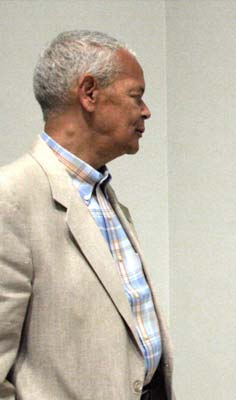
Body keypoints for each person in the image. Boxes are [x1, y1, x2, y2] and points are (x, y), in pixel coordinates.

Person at [0, 31, 174, 399]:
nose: (146, 111)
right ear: (89, 93)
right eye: (136, 95)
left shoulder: (104, 196)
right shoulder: (11, 199)